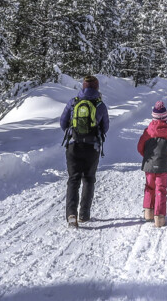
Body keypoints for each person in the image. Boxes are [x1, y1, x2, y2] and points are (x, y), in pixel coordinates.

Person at [60, 75, 109, 227]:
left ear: (83, 87)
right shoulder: (100, 105)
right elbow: (105, 127)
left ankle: (71, 215)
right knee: (88, 179)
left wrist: (73, 132)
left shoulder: (73, 102)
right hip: (92, 147)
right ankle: (84, 214)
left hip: (73, 146)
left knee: (73, 179)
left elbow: (62, 122)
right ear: (97, 87)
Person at [137, 100, 167, 228]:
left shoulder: (147, 132)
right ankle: (159, 217)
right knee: (161, 189)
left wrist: (148, 156)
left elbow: (140, 147)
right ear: (165, 118)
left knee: (149, 187)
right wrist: (163, 156)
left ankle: (148, 213)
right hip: (162, 165)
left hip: (149, 165)